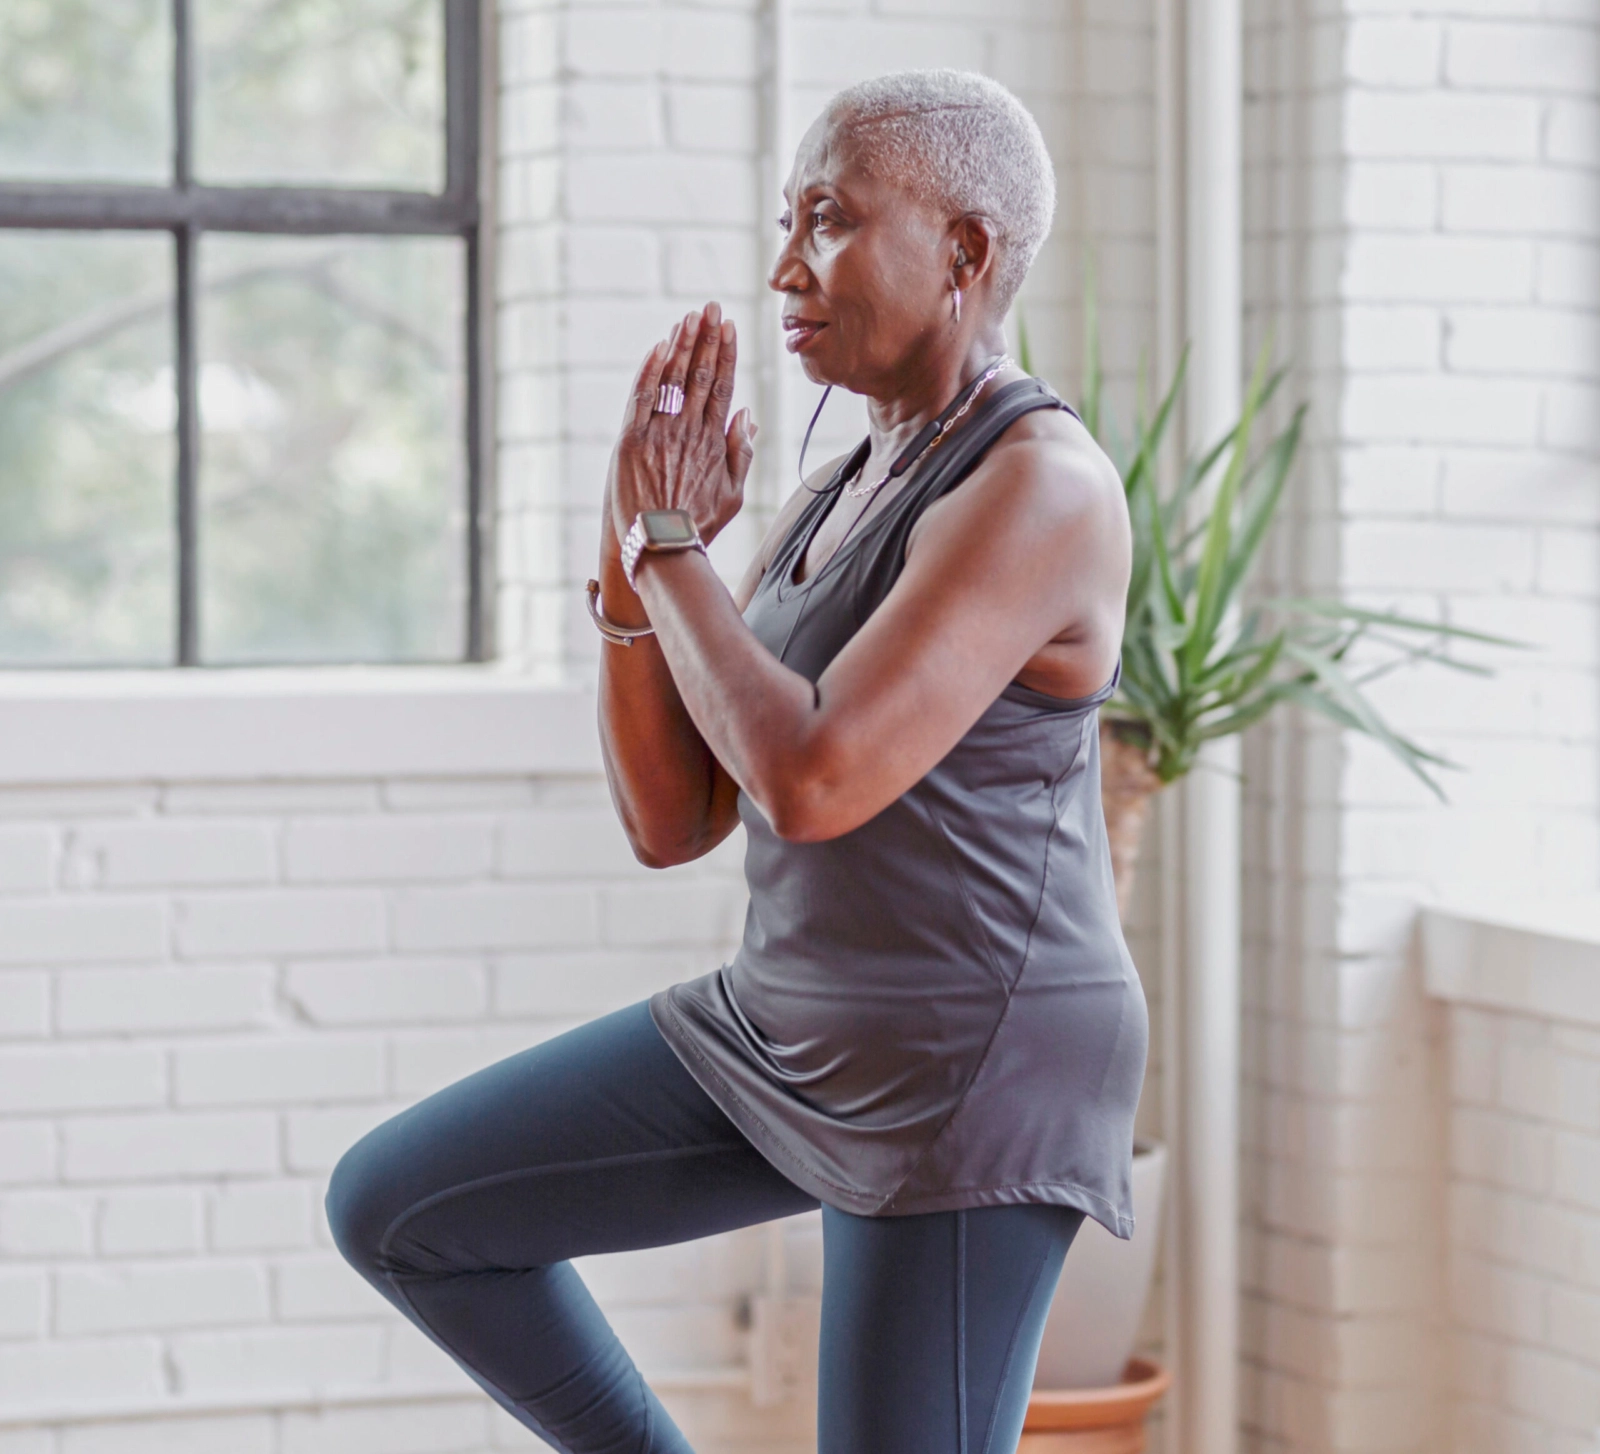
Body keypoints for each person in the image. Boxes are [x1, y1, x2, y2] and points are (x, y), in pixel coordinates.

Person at [327, 68, 1146, 1454]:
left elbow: (815, 777)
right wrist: (627, 556)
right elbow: (675, 814)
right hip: (792, 1024)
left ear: (965, 251)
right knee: (405, 1209)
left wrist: (671, 544)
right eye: (786, 220)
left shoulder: (1039, 485)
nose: (785, 265)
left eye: (827, 219)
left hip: (966, 1067)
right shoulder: (844, 483)